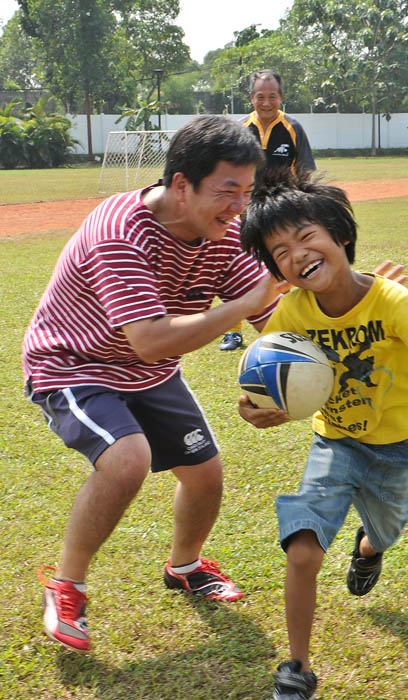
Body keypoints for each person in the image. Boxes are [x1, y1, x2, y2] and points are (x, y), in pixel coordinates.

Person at [23, 115, 290, 653]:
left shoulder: (227, 234)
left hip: (149, 371)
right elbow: (149, 338)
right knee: (127, 459)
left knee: (205, 473)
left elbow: (276, 318)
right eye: (227, 191)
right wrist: (242, 307)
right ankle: (67, 585)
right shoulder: (120, 229)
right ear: (182, 184)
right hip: (75, 363)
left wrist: (359, 306)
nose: (240, 206)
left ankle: (185, 567)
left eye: (247, 192)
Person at [238, 167, 408, 699]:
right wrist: (255, 409)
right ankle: (296, 670)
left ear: (340, 235)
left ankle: (369, 549)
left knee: (384, 530)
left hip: (399, 448)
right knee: (303, 547)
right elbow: (262, 377)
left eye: (305, 237)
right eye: (279, 252)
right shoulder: (293, 311)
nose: (295, 254)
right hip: (336, 442)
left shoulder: (393, 302)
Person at [220, 68, 316, 352]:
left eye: (272, 96)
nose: (266, 102)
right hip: (243, 211)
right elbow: (227, 172)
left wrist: (303, 209)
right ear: (251, 98)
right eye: (260, 96)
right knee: (234, 268)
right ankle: (233, 331)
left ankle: (295, 324)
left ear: (281, 97)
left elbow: (306, 173)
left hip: (280, 211)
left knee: (286, 266)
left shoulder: (293, 129)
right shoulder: (239, 130)